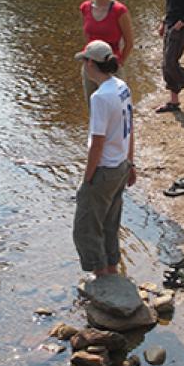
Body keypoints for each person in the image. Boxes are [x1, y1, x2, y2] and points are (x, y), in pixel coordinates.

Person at [72, 41, 137, 276]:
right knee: (110, 223)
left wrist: (87, 179)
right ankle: (112, 268)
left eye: (84, 62)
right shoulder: (122, 86)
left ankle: (101, 277)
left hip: (105, 170)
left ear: (91, 63)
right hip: (121, 166)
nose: (83, 67)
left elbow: (97, 144)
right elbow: (129, 127)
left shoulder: (100, 97)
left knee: (86, 228)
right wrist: (131, 163)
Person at [79, 0, 135, 106]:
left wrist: (120, 62)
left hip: (111, 67)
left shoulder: (119, 11)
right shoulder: (85, 7)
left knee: (117, 107)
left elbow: (129, 42)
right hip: (90, 67)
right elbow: (86, 35)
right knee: (93, 107)